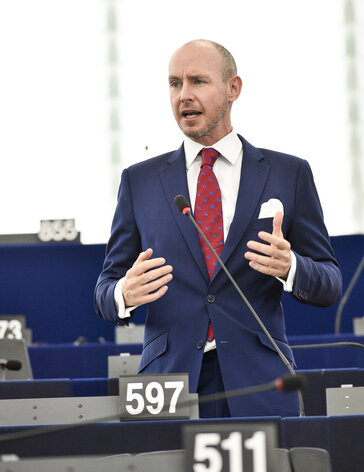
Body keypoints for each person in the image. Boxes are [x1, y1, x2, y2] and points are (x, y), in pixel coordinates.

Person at [95, 39, 342, 418]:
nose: (184, 96)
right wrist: (124, 293)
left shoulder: (288, 174)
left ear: (233, 88)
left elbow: (329, 283)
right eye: (175, 84)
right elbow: (104, 290)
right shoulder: (139, 181)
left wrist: (291, 266)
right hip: (167, 386)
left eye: (198, 81)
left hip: (262, 382)